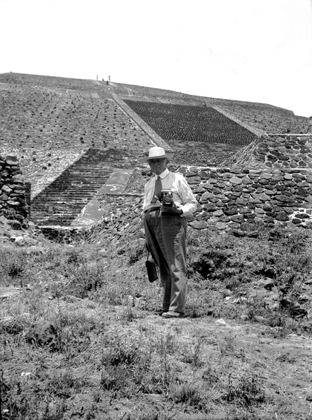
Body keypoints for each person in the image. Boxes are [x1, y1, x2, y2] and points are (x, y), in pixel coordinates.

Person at [143, 146, 198, 318]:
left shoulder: (177, 179)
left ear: (167, 161)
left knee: (175, 263)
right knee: (163, 265)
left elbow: (192, 203)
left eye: (159, 160)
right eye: (153, 161)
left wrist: (179, 211)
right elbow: (146, 206)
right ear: (149, 164)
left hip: (170, 221)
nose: (156, 164)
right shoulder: (149, 184)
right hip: (151, 221)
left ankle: (176, 308)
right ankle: (167, 306)